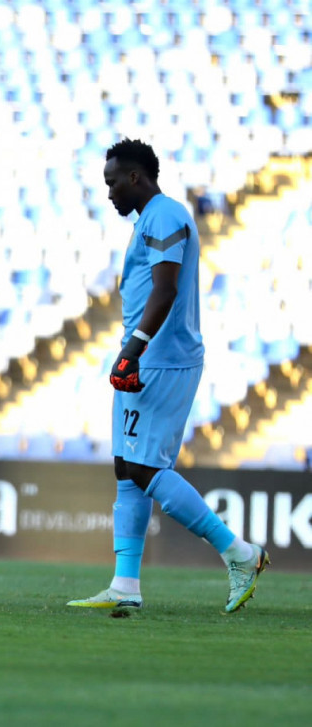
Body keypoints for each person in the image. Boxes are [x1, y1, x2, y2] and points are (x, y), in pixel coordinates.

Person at [67, 139, 268, 613]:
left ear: (135, 177)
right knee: (126, 468)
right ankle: (125, 585)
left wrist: (132, 350)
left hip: (161, 358)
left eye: (113, 183)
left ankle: (240, 553)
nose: (110, 193)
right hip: (147, 355)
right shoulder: (151, 219)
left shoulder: (164, 215)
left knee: (145, 468)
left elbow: (165, 289)